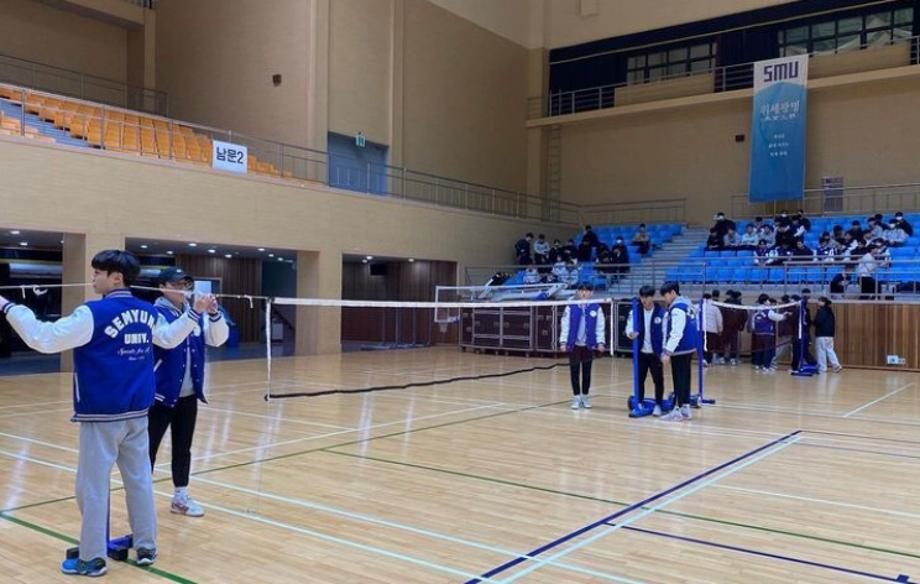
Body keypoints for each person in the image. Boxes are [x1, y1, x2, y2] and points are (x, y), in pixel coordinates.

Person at [0, 250, 210, 576]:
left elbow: (43, 338)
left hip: (102, 416)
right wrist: (194, 314)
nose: (93, 278)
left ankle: (92, 558)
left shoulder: (92, 313)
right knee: (139, 482)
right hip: (138, 415)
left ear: (116, 278)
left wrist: (7, 307)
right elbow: (169, 339)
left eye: (98, 273)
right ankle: (146, 546)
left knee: (93, 488)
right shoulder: (147, 311)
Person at [148, 267, 229, 518]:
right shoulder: (154, 314)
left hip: (188, 396)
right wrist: (195, 312)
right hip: (159, 397)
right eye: (177, 285)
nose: (183, 290)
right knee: (148, 449)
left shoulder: (192, 314)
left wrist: (213, 314)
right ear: (162, 287)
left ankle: (180, 496)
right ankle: (141, 498)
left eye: (186, 285)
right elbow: (168, 339)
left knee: (183, 448)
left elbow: (217, 340)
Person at [559, 283, 606, 410]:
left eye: (587, 291)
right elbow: (565, 325)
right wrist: (563, 342)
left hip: (588, 346)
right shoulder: (570, 307)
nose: (584, 293)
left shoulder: (596, 307)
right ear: (578, 292)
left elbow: (600, 327)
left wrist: (600, 342)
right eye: (581, 291)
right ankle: (576, 397)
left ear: (591, 293)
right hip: (574, 345)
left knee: (587, 372)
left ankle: (585, 397)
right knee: (574, 372)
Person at [659, 281, 699, 421]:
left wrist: (667, 352)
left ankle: (678, 409)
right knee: (685, 378)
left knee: (679, 379)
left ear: (673, 293)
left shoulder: (677, 309)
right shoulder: (688, 305)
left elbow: (676, 332)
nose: (665, 299)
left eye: (665, 295)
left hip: (680, 349)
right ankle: (685, 408)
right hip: (688, 347)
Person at [625, 285, 665, 416]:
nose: (644, 300)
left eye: (646, 297)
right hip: (641, 354)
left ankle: (658, 404)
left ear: (652, 297)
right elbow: (629, 327)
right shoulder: (635, 311)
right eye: (642, 297)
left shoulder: (661, 313)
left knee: (658, 380)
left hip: (655, 354)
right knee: (639, 379)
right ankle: (640, 402)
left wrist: (664, 351)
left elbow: (665, 333)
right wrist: (630, 333)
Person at [751, 293, 786, 373]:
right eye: (768, 300)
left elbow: (753, 322)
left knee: (759, 350)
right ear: (765, 301)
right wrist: (784, 316)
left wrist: (755, 329)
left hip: (758, 333)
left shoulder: (756, 310)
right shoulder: (768, 310)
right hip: (767, 334)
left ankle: (757, 364)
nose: (769, 302)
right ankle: (766, 366)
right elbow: (777, 317)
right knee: (768, 350)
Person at [813, 296, 843, 373]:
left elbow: (817, 322)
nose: (818, 302)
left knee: (821, 351)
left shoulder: (821, 311)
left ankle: (822, 368)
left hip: (821, 334)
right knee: (830, 350)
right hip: (830, 335)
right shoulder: (830, 311)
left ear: (823, 302)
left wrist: (812, 322)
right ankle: (836, 365)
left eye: (819, 300)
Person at [790, 288, 815, 374]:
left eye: (792, 301)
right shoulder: (803, 309)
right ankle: (811, 365)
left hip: (800, 334)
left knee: (799, 351)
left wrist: (789, 316)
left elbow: (793, 321)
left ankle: (796, 368)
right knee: (802, 351)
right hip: (801, 334)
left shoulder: (799, 310)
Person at [720, 290, 745, 366]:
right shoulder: (740, 305)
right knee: (733, 343)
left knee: (723, 342)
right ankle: (732, 359)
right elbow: (744, 317)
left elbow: (721, 315)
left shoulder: (724, 304)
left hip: (725, 327)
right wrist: (741, 325)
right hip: (734, 328)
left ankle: (722, 358)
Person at [701, 292, 723, 367]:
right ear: (711, 299)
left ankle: (703, 359)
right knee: (710, 346)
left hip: (701, 330)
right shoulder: (715, 308)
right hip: (712, 330)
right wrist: (720, 329)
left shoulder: (698, 307)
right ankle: (709, 361)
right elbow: (719, 319)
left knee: (702, 345)